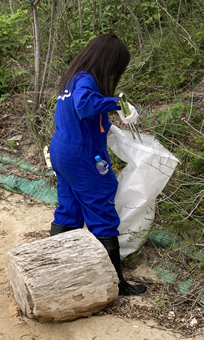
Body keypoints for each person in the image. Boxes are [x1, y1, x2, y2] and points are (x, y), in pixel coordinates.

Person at [48, 33, 145, 297]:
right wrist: (117, 104)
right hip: (81, 155)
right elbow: (84, 106)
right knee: (102, 207)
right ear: (108, 62)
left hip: (62, 150)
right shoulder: (87, 80)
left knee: (69, 209)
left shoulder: (72, 78)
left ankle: (54, 269)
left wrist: (107, 127)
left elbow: (79, 115)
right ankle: (115, 284)